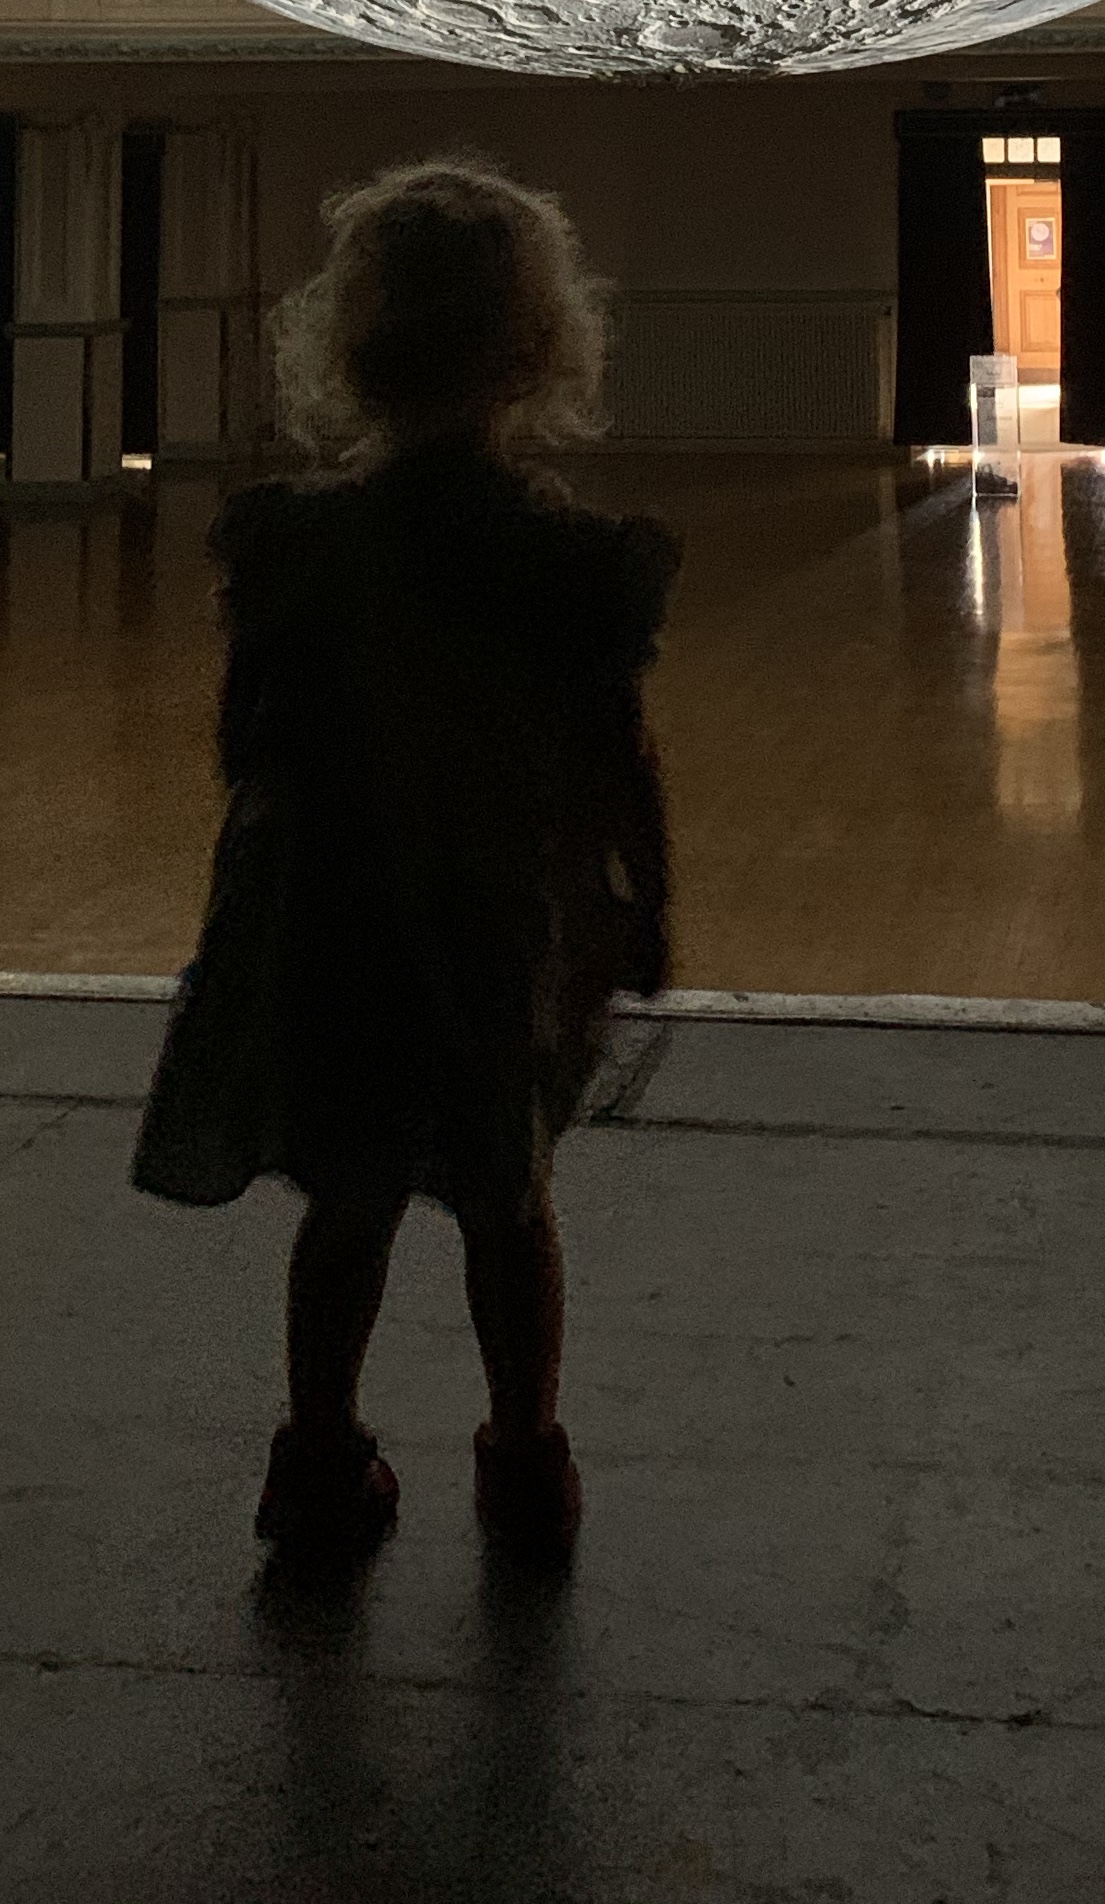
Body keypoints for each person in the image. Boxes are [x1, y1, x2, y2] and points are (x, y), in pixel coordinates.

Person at [131, 155, 675, 1573]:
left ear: (354, 346)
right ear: (535, 348)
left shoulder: (293, 545)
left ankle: (319, 1461)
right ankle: (526, 1463)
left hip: (336, 922)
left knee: (348, 1201)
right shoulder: (569, 560)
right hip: (493, 924)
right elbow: (614, 755)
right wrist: (643, 903)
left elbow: (247, 744)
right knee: (511, 1199)